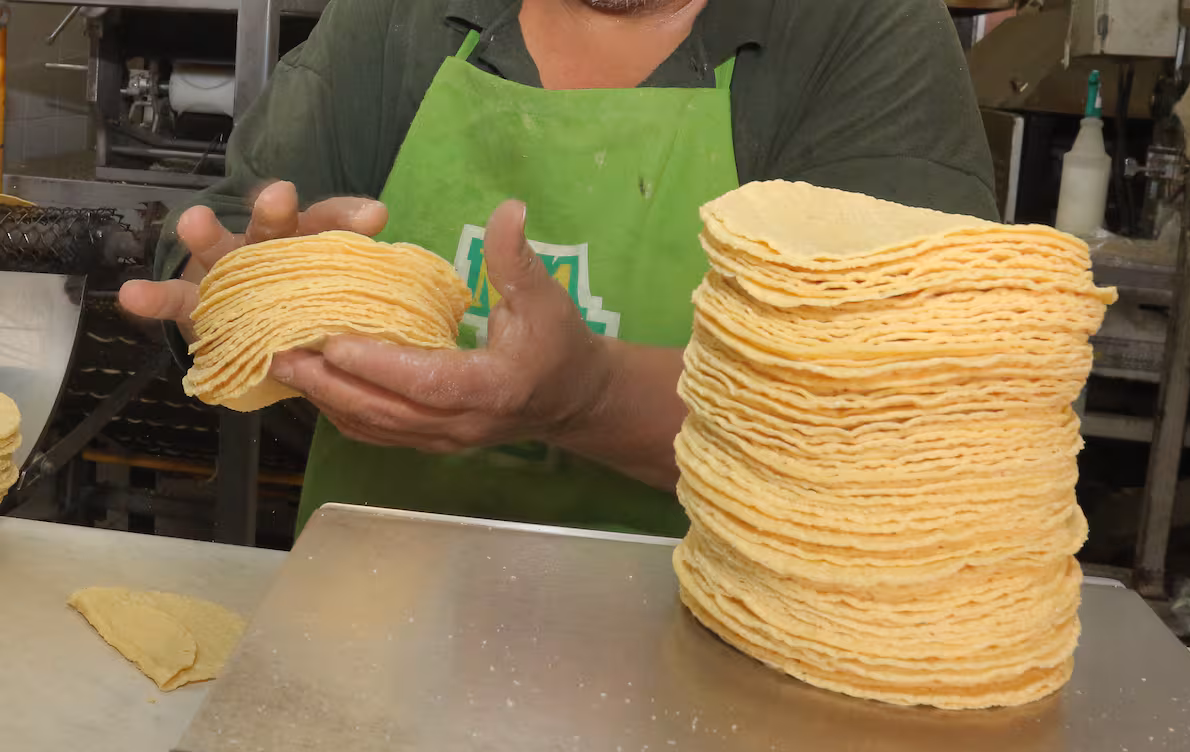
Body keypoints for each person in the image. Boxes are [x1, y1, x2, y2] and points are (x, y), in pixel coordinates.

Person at [119, 0, 997, 537]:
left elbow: (916, 419)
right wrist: (249, 296)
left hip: (716, 678)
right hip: (377, 640)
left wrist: (590, 398)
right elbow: (223, 241)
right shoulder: (400, 17)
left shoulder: (858, 31)